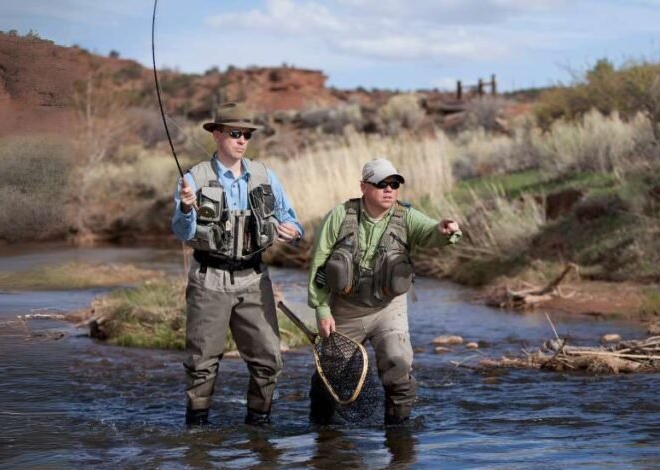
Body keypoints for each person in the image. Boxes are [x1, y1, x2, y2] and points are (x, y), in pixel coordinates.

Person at [171, 102, 303, 427]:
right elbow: (181, 232)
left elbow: (291, 220)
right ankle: (198, 432)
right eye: (234, 133)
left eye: (246, 134)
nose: (242, 140)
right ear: (217, 135)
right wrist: (186, 209)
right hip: (209, 278)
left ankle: (259, 428)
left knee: (269, 360)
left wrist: (293, 233)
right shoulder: (194, 178)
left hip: (254, 279)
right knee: (202, 364)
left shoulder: (264, 175)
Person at [307, 158, 461, 426]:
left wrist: (444, 231)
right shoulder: (339, 216)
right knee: (329, 378)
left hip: (389, 308)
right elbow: (319, 264)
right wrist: (321, 309)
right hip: (345, 308)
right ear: (363, 186)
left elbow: (430, 232)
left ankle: (399, 437)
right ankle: (323, 437)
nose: (389, 189)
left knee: (398, 368)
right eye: (381, 184)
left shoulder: (407, 216)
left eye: (394, 184)